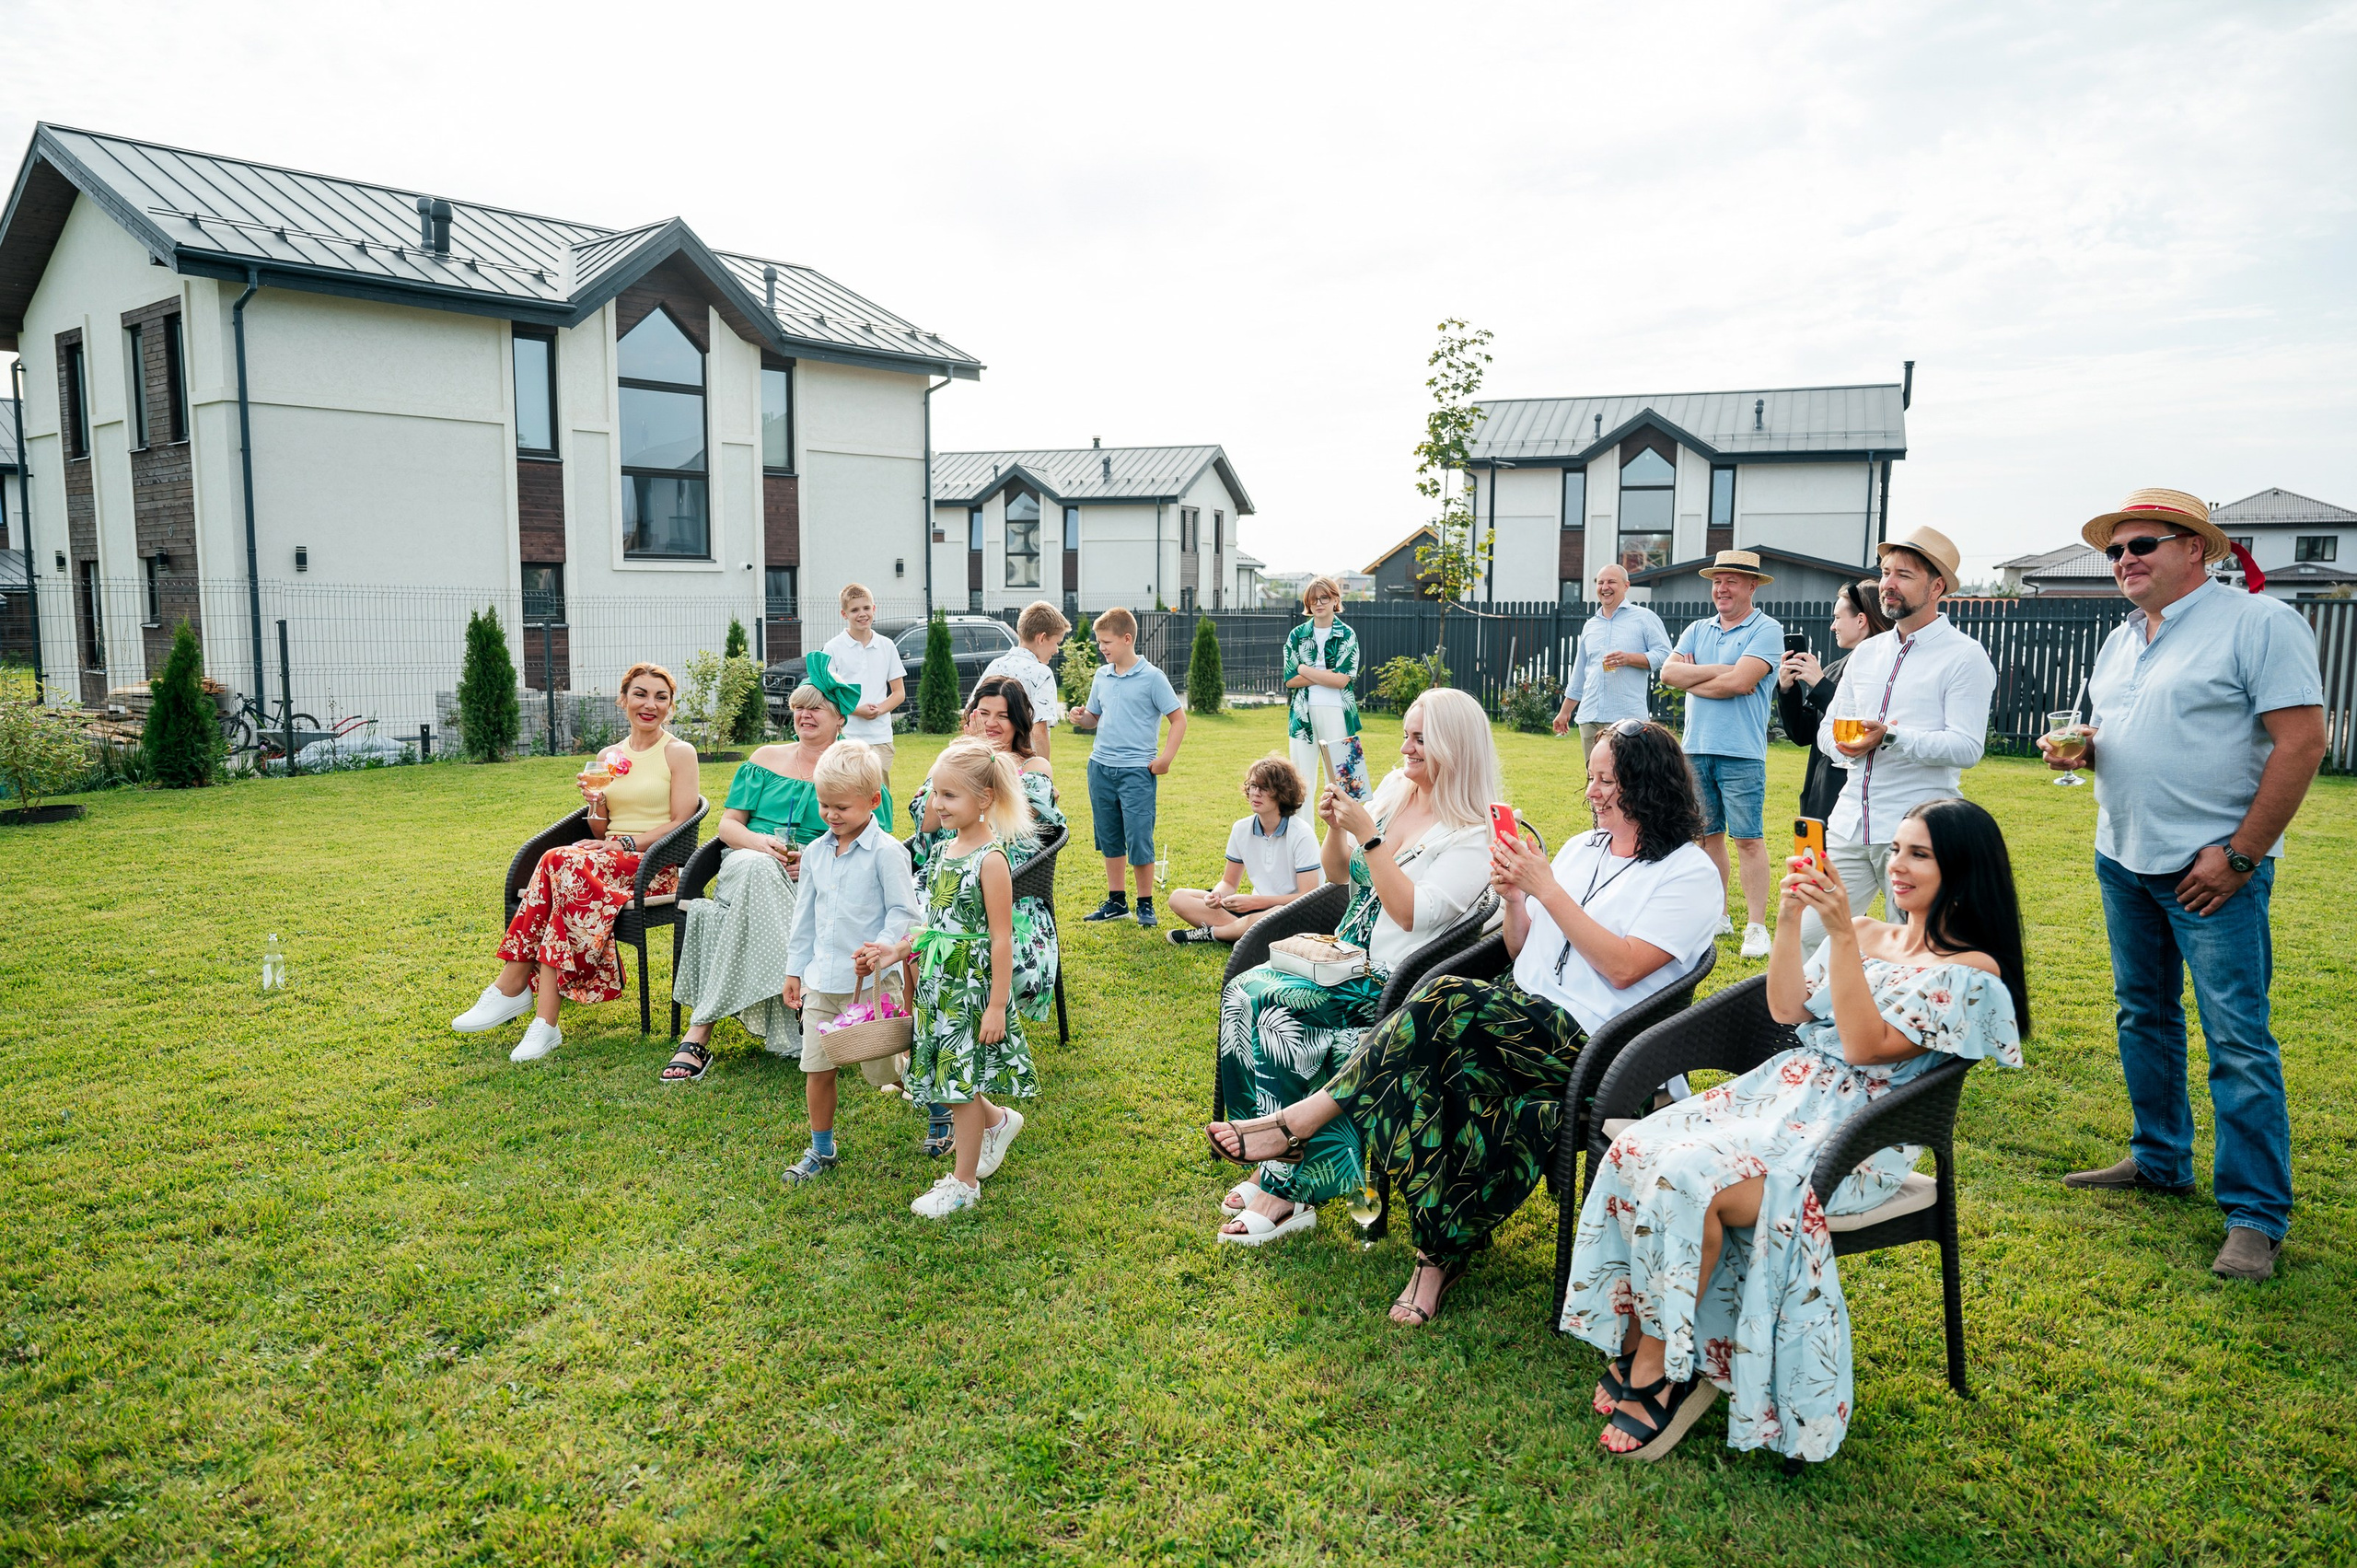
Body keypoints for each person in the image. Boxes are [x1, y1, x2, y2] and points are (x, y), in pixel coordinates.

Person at [1563, 797, 2027, 1463]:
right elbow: (1785, 1006)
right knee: (1641, 1144)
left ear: (1964, 866)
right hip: (1780, 1095)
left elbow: (1867, 1045)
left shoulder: (1973, 972)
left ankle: (1665, 1367)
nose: (1897, 865)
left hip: (1854, 1136)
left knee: (1691, 1176)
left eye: (1918, 853)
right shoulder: (1867, 930)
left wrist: (1840, 937)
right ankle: (1641, 1332)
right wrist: (1790, 918)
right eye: (1895, 849)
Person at [1205, 719, 1721, 1317]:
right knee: (1427, 1069)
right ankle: (1435, 1260)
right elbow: (1524, 950)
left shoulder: (1689, 873)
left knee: (1445, 999)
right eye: (1591, 778)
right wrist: (1514, 898)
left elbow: (1626, 967)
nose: (1593, 792)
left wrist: (1547, 888)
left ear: (1649, 785)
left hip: (1592, 1042)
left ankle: (1295, 1124)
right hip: (1516, 1015)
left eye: (1607, 780)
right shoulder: (1585, 849)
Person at [2045, 488, 2326, 1283]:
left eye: (2142, 545)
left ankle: (2255, 1215)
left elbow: (2302, 742)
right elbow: (2122, 735)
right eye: (2115, 551)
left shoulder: (2260, 623)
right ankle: (2161, 1159)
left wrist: (2240, 856)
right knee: (2145, 1015)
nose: (2124, 560)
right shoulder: (2123, 637)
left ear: (2195, 547)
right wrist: (2084, 752)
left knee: (2237, 1040)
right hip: (2123, 856)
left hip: (2212, 872)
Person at [1204, 689, 1502, 1247]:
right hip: (1342, 956)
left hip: (1395, 978)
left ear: (1453, 747)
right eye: (1407, 733)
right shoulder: (1395, 788)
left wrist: (1370, 832)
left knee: (1276, 1005)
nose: (1405, 746)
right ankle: (1282, 1161)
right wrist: (1340, 827)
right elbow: (1339, 874)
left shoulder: (1472, 833)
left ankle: (1285, 1191)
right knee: (1246, 990)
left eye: (1419, 737)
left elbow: (1412, 912)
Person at [453, 663, 701, 1063]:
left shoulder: (678, 752)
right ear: (623, 700)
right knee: (563, 874)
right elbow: (599, 830)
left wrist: (623, 843)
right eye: (640, 694)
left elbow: (682, 822)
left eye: (660, 697)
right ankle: (544, 1023)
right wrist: (597, 804)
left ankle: (513, 985)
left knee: (556, 860)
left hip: (652, 866)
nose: (649, 704)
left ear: (670, 706)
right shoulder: (609, 755)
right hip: (605, 864)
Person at [665, 680, 891, 1083]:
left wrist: (817, 862)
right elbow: (727, 825)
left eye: (816, 709)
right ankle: (805, 1002)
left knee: (767, 888)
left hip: (818, 878)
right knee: (757, 868)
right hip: (745, 864)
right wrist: (758, 843)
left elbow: (873, 843)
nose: (804, 715)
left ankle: (700, 1033)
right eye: (799, 707)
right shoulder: (765, 758)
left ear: (840, 719)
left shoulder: (859, 769)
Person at [1805, 527, 1995, 948]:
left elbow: (1967, 747)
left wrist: (1890, 737)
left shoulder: (1965, 656)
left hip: (1917, 833)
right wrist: (1844, 746)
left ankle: (1897, 1016)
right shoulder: (1867, 654)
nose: (1888, 584)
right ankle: (1813, 1017)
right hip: (1848, 823)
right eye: (1886, 572)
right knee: (1810, 935)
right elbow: (1826, 732)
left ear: (1937, 586)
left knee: (1918, 947)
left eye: (1904, 575)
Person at [908, 674, 1066, 1155]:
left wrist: (989, 779)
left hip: (1006, 886)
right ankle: (933, 1063)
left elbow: (1029, 830)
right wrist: (965, 765)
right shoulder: (954, 762)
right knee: (911, 944)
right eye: (984, 712)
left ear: (1020, 723)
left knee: (974, 955)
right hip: (941, 880)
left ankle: (963, 1090)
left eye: (1003, 715)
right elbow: (925, 818)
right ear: (971, 714)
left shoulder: (1032, 764)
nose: (993, 723)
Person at [886, 738, 1039, 1218]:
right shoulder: (945, 850)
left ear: (984, 801)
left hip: (969, 989)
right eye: (935, 793)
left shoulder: (990, 861)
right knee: (951, 1074)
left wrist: (997, 1005)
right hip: (938, 983)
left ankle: (964, 1182)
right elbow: (933, 924)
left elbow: (1000, 940)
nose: (937, 804)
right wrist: (896, 951)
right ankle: (997, 1122)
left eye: (949, 795)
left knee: (956, 1082)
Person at [778, 741, 922, 1186]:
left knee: (884, 1067)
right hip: (824, 982)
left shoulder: (887, 852)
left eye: (841, 806)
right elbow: (805, 917)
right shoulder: (818, 853)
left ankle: (936, 1107)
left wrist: (880, 947)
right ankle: (822, 1148)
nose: (831, 814)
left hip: (874, 982)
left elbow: (905, 913)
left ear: (874, 801)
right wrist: (795, 970)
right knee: (816, 1068)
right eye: (824, 804)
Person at [1660, 550, 1785, 958]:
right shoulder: (1698, 628)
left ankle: (1754, 926)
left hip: (1742, 753)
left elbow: (1743, 682)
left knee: (1748, 839)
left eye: (1732, 581)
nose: (1722, 588)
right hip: (1695, 749)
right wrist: (1723, 671)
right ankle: (1719, 914)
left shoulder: (1766, 629)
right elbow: (1667, 674)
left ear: (1752, 586)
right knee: (1706, 836)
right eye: (1717, 581)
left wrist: (1697, 676)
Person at [1070, 606, 1187, 929]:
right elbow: (1094, 718)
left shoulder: (1152, 677)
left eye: (1106, 642)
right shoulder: (1101, 675)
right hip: (1100, 769)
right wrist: (1083, 718)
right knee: (1110, 837)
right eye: (1098, 642)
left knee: (1138, 838)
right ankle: (1116, 902)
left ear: (1126, 638)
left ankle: (1145, 903)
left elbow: (1178, 719)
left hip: (1137, 771)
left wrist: (1165, 759)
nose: (1101, 648)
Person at [1167, 754, 1325, 946]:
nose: (1256, 793)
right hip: (1253, 912)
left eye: (1265, 788)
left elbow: (1307, 897)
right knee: (1179, 898)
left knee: (1270, 914)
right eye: (1253, 786)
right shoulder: (1241, 828)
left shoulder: (1301, 833)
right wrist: (1216, 895)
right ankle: (1246, 934)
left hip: (1290, 912)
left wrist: (1255, 903)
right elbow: (1228, 882)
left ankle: (1214, 933)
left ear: (1283, 793)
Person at [1777, 578, 1891, 827]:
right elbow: (1803, 733)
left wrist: (1820, 685)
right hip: (1819, 795)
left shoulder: (1887, 670)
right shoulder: (1834, 669)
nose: (1832, 626)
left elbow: (1862, 723)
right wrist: (1788, 690)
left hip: (1854, 799)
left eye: (1838, 618)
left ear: (1861, 620)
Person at [1553, 563, 1673, 760]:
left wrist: (1629, 658)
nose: (1605, 587)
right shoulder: (1590, 625)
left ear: (1626, 586)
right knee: (1595, 779)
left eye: (1611, 582)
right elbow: (1580, 672)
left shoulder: (1644, 618)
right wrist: (1565, 712)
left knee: (1628, 779)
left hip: (1626, 718)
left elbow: (1665, 654)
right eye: (1600, 582)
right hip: (1590, 717)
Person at [1282, 576, 1371, 803]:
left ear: (1335, 600)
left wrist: (1303, 668)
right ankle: (1304, 838)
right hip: (1303, 715)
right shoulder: (1297, 635)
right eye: (1313, 600)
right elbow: (1290, 680)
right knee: (1300, 783)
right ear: (1308, 605)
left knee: (1345, 780)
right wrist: (1326, 674)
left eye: (1324, 598)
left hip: (1338, 711)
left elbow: (1342, 680)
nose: (1319, 603)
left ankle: (1349, 837)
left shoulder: (1347, 635)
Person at [821, 582, 906, 786]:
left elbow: (898, 693)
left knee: (879, 792)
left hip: (880, 737)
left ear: (874, 609)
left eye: (866, 608)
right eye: (854, 610)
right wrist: (857, 710)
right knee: (848, 791)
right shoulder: (833, 648)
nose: (862, 614)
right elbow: (828, 693)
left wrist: (878, 709)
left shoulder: (887, 646)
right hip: (846, 735)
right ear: (844, 614)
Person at [981, 599, 1070, 760]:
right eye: (1057, 643)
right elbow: (1039, 729)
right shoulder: (1042, 673)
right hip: (1024, 764)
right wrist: (1043, 776)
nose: (1057, 650)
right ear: (1042, 638)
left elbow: (973, 715)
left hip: (991, 760)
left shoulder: (996, 665)